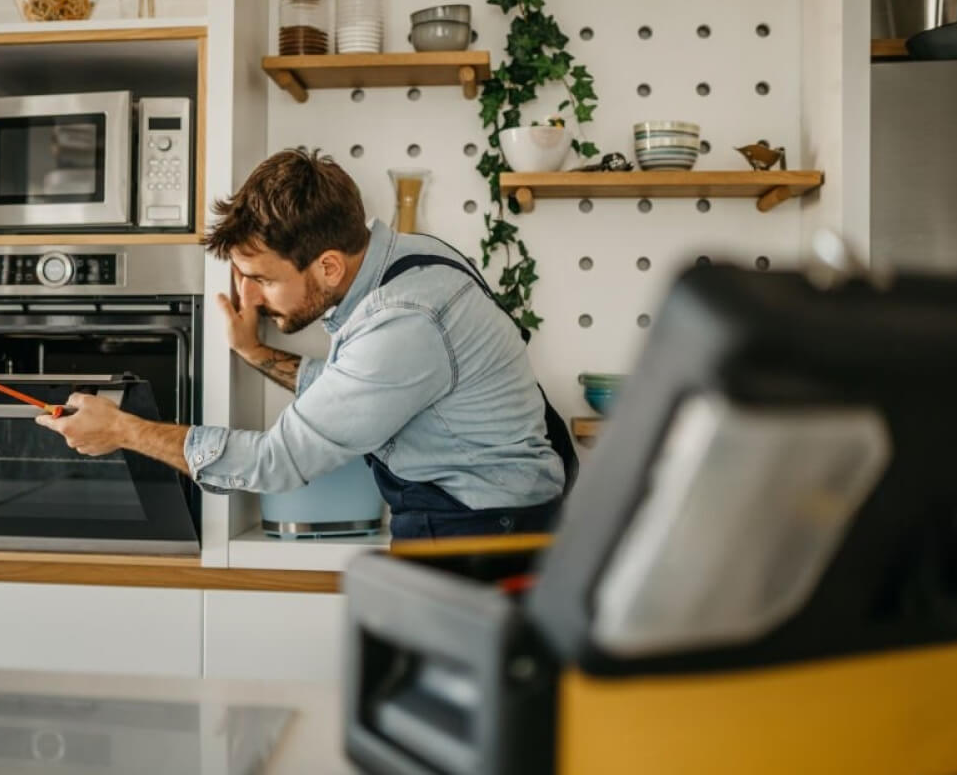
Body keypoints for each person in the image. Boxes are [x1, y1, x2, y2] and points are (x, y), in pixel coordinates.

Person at [36, 149, 575, 539]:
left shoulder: (404, 320)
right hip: (490, 518)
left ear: (329, 265)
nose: (248, 294)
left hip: (483, 535)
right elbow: (351, 388)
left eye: (263, 278)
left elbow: (277, 462)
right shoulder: (407, 258)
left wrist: (122, 430)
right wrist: (254, 351)